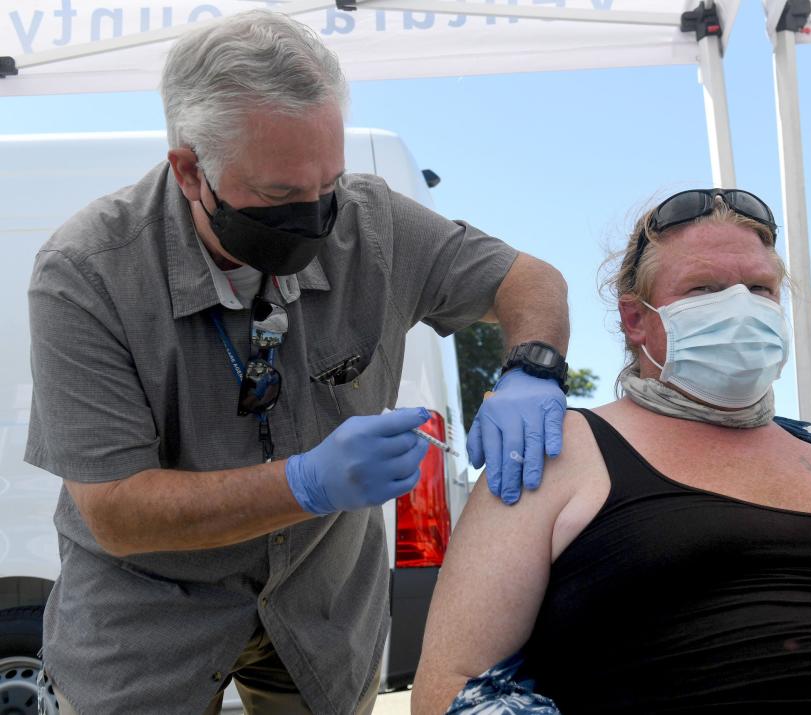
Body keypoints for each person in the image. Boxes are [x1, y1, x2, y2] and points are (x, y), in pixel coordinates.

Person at [25, 10, 570, 715]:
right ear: (191, 171)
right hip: (147, 619)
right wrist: (306, 482)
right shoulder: (86, 274)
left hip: (322, 610)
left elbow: (529, 279)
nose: (317, 217)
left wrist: (533, 363)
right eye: (282, 196)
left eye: (329, 185)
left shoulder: (371, 223)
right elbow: (118, 512)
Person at [412, 188, 811, 714]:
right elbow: (452, 688)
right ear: (636, 320)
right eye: (703, 290)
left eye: (761, 290)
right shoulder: (552, 451)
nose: (741, 308)